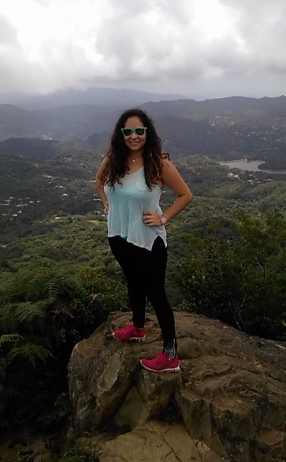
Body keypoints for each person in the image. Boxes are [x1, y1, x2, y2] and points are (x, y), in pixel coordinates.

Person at [95, 108, 193, 373]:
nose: (134, 136)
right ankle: (138, 327)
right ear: (121, 134)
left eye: (139, 131)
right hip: (118, 235)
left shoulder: (159, 165)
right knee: (133, 283)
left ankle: (170, 354)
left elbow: (186, 195)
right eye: (128, 131)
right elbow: (99, 180)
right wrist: (107, 202)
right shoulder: (114, 159)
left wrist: (163, 218)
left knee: (156, 293)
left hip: (147, 240)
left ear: (147, 133)